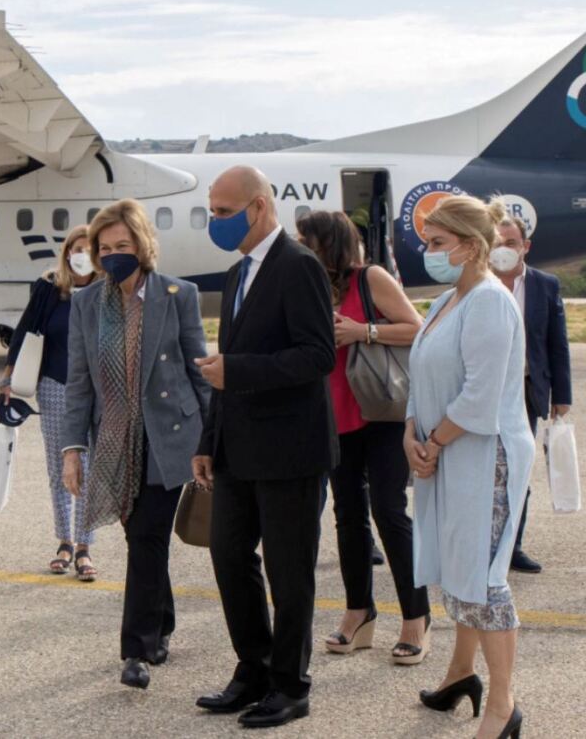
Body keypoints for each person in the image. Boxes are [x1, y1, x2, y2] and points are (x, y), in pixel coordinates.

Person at [192, 166, 337, 729]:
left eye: (224, 212)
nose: (216, 222)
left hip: (290, 451)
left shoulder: (298, 267)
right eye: (213, 210)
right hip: (237, 449)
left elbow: (317, 355)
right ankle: (252, 665)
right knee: (228, 556)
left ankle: (290, 684)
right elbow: (225, 369)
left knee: (288, 569)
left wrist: (239, 371)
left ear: (258, 207)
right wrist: (209, 439)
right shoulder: (237, 274)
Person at [60, 199, 209, 690]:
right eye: (105, 247)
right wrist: (71, 449)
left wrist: (212, 440)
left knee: (146, 538)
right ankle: (161, 622)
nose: (114, 253)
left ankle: (136, 651)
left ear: (143, 244)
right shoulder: (85, 304)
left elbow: (197, 371)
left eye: (123, 245)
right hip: (114, 440)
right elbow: (78, 383)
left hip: (170, 436)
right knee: (140, 539)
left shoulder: (177, 294)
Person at [405, 195, 534, 739]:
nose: (426, 252)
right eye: (426, 242)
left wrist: (431, 443)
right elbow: (422, 375)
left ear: (472, 245)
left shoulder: (489, 302)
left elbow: (480, 394)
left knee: (482, 576)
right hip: (443, 449)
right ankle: (461, 674)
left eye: (437, 243)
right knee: (456, 564)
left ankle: (503, 707)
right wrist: (411, 435)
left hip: (486, 455)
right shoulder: (443, 303)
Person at [296, 210, 430, 664]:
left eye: (306, 240)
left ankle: (417, 616)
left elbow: (417, 328)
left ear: (328, 243)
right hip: (334, 416)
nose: (300, 248)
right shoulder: (310, 286)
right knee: (348, 515)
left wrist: (362, 331)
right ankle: (359, 612)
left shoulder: (369, 278)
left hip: (381, 411)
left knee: (389, 511)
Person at [0, 226, 98, 579]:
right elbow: (25, 330)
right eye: (75, 248)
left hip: (97, 390)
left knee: (90, 468)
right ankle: (65, 541)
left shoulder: (107, 289)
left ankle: (85, 546)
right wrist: (8, 378)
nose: (81, 254)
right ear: (67, 251)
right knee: (60, 467)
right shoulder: (50, 287)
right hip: (55, 385)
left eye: (88, 248)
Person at [491, 216, 572, 574]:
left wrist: (562, 396)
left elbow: (557, 344)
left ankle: (512, 546)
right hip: (484, 393)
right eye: (497, 243)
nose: (504, 250)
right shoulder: (479, 284)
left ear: (525, 246)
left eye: (511, 243)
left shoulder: (545, 285)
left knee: (518, 472)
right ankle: (481, 544)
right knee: (482, 471)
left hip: (525, 392)